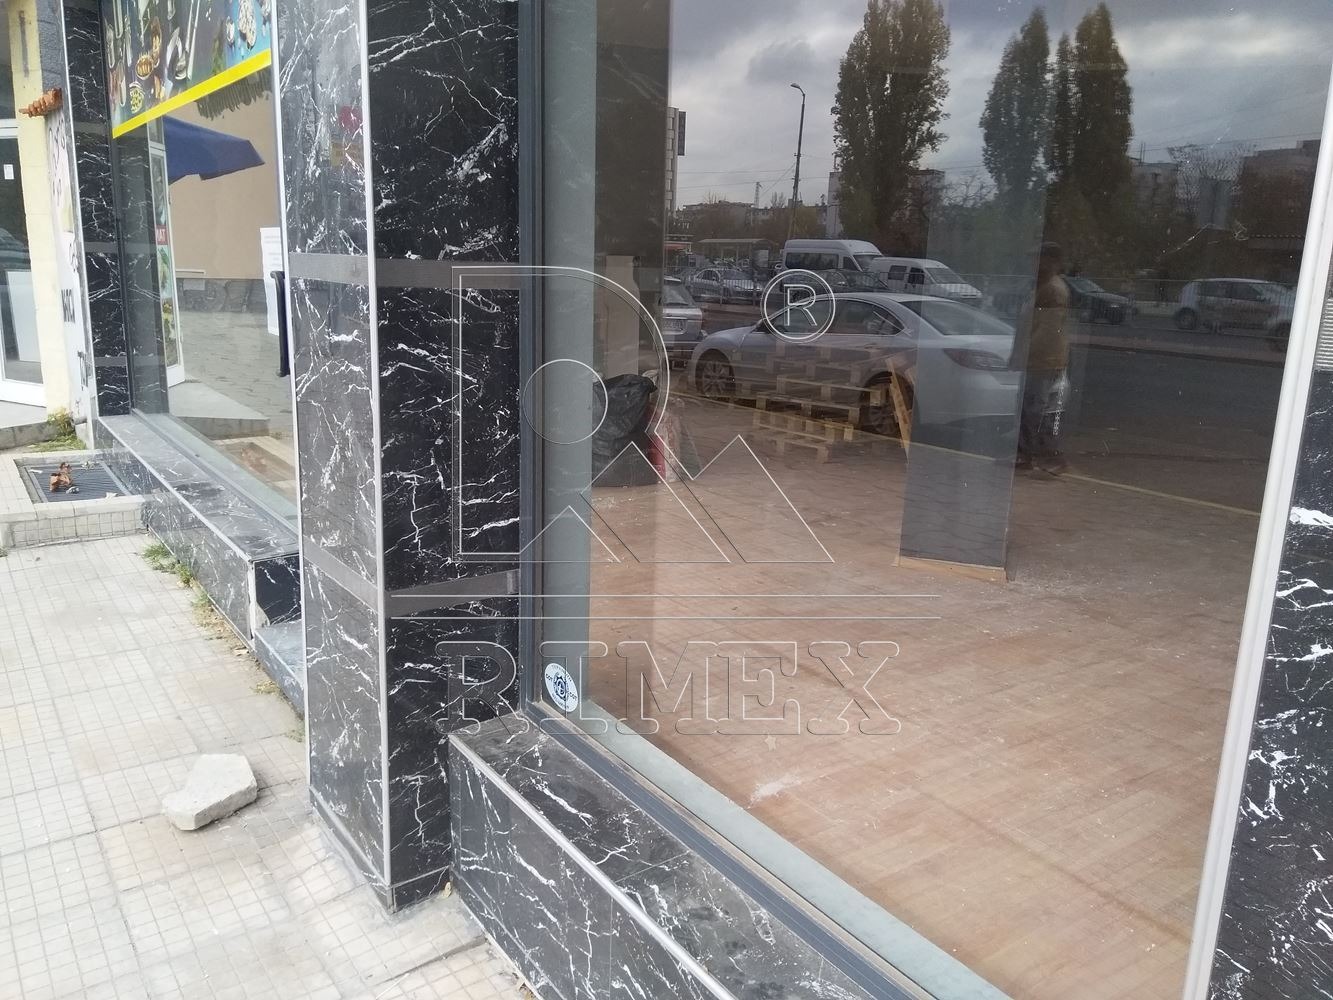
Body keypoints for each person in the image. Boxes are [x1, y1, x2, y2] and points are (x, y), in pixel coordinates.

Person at [1010, 242, 1071, 473]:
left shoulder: (1053, 290)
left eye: (1038, 258)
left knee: (1036, 409)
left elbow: (1047, 332)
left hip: (1043, 361)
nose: (1033, 263)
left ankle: (1046, 456)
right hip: (1038, 360)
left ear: (1052, 262)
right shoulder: (1041, 287)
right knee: (1032, 408)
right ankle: (1027, 454)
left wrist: (1024, 354)